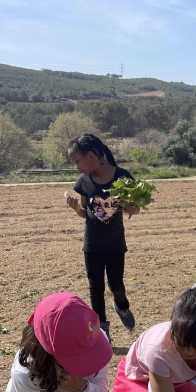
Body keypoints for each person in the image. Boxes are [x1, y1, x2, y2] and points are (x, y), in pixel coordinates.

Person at [66, 133, 141, 340]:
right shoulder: (83, 181)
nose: (76, 166)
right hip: (92, 245)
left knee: (117, 285)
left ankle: (122, 305)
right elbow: (85, 212)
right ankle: (102, 331)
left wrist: (133, 209)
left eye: (77, 160)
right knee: (95, 289)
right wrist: (75, 209)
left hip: (116, 244)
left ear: (90, 155)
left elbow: (135, 209)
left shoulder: (122, 176)